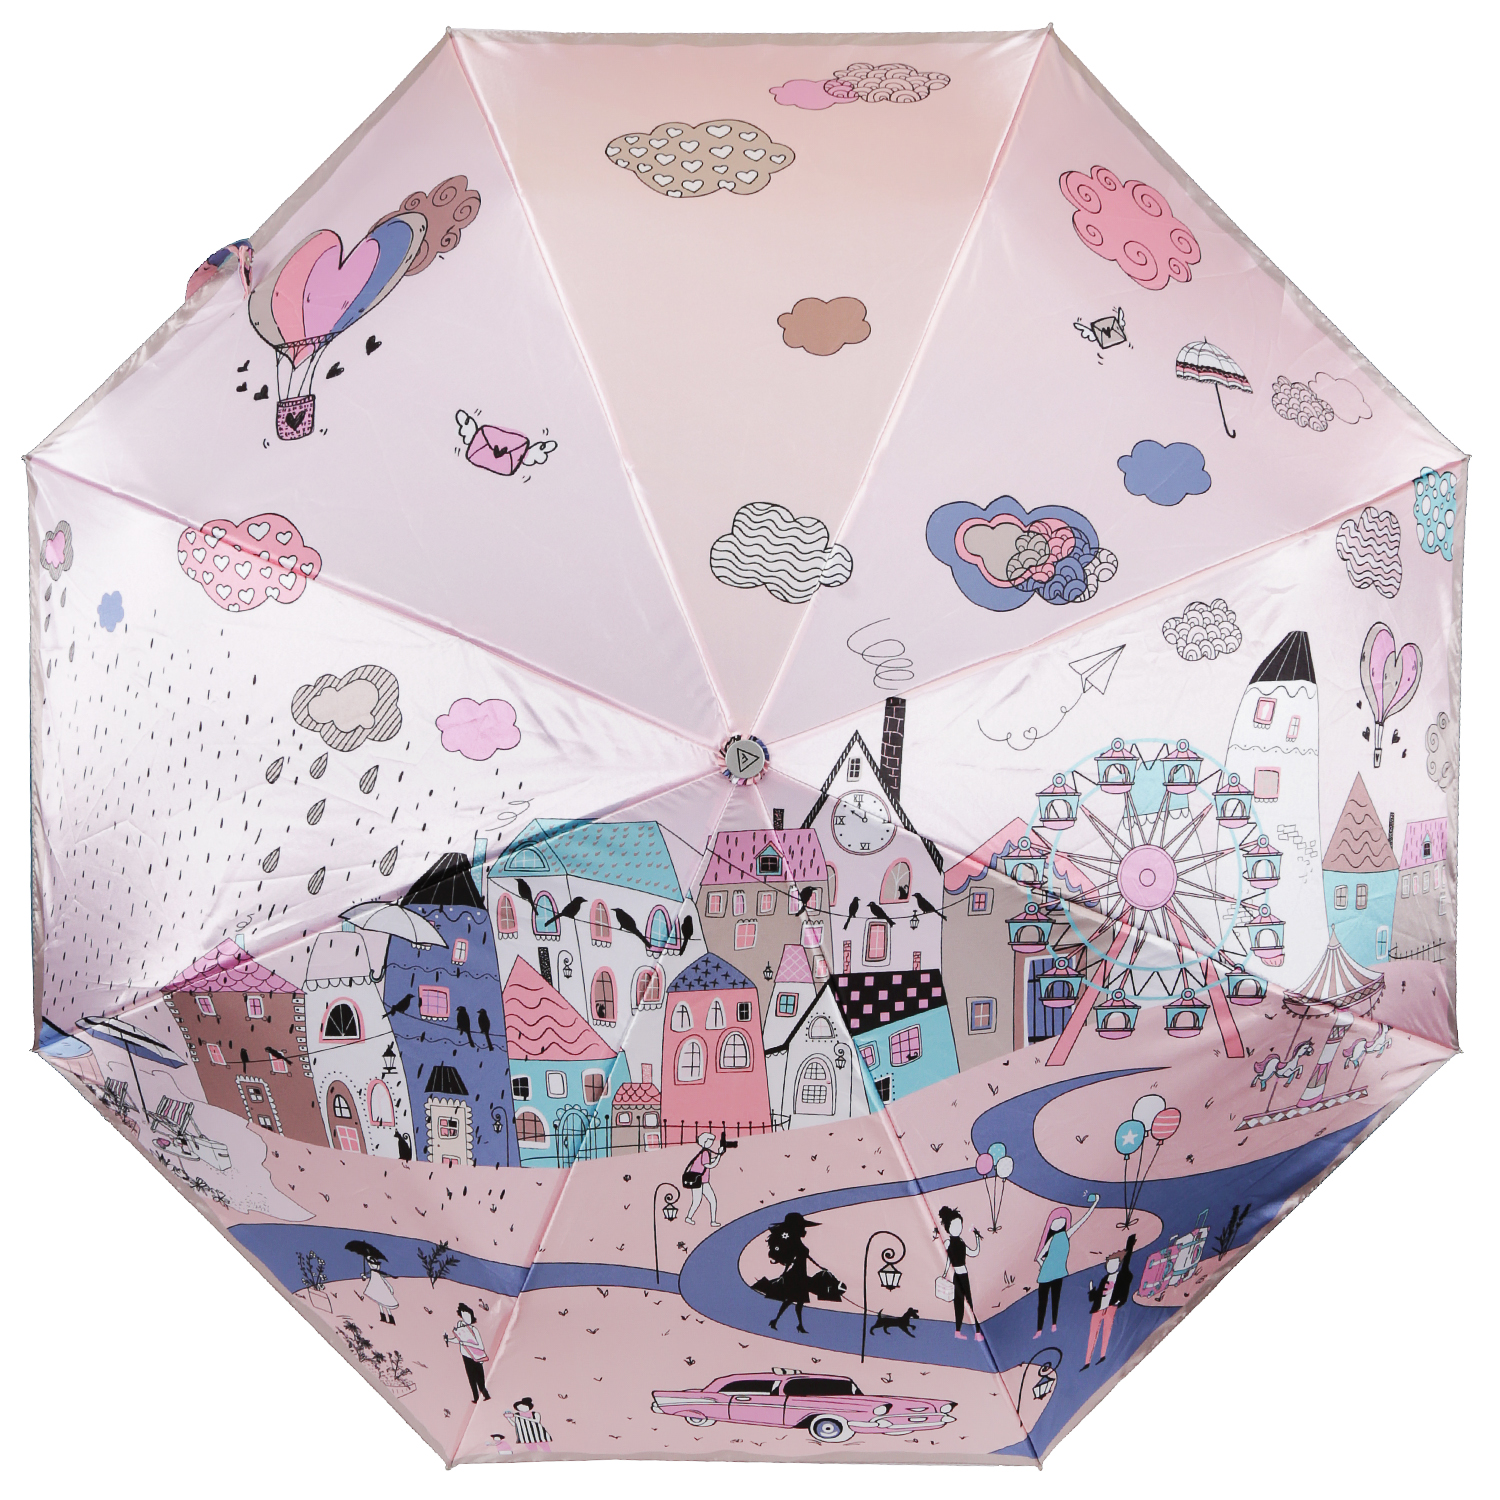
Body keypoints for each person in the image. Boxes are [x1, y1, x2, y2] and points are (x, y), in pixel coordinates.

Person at [751, 1211, 844, 1333]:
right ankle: (782, 1321)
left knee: (796, 1301)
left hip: (801, 1274)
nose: (805, 1230)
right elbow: (791, 1260)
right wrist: (784, 1274)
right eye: (802, 1227)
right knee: (792, 1300)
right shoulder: (794, 1243)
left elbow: (806, 1257)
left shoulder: (797, 1242)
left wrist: (820, 1267)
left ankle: (791, 1323)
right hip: (796, 1275)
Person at [1034, 1194, 1098, 1338]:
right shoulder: (1051, 1239)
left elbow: (1082, 1220)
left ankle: (1053, 1323)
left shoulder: (1065, 1234)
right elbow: (1039, 1256)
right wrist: (1044, 1264)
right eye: (1055, 1222)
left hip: (1058, 1272)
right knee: (1043, 1302)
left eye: (1062, 1221)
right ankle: (1039, 1329)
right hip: (1047, 1273)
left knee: (1055, 1299)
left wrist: (1095, 1203)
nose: (1058, 1224)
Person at [1082, 1234, 1135, 1369]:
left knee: (1107, 1331)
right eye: (1109, 1264)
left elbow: (1127, 1262)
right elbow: (1094, 1298)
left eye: (1114, 1264)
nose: (1111, 1266)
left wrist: (1129, 1245)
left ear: (1118, 1264)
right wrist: (1091, 1291)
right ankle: (1087, 1361)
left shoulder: (1122, 1276)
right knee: (1092, 1334)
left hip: (1110, 1307)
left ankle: (1102, 1355)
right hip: (1098, 1309)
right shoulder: (1104, 1279)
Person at [936, 1206, 983, 1340]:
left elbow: (973, 1252)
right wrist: (944, 1274)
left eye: (960, 1225)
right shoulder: (947, 1243)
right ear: (948, 1228)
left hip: (964, 1274)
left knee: (970, 1302)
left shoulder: (961, 1242)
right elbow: (947, 1261)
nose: (958, 1228)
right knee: (959, 1303)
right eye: (955, 1225)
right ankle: (958, 1331)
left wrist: (977, 1239)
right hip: (956, 1275)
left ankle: (977, 1331)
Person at [444, 1302, 491, 1403]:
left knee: (480, 1378)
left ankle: (486, 1395)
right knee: (471, 1378)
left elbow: (480, 1346)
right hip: (466, 1356)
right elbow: (458, 1340)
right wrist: (449, 1340)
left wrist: (467, 1343)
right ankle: (476, 1398)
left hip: (476, 1357)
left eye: (468, 1316)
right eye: (464, 1316)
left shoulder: (474, 1330)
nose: (466, 1318)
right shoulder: (461, 1328)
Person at [682, 1131, 725, 1226]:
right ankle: (689, 1217)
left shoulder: (706, 1152)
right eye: (710, 1140)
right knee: (698, 1201)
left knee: (710, 1200)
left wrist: (719, 1154)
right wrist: (719, 1156)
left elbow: (710, 1161)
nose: (712, 1142)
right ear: (705, 1142)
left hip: (703, 1181)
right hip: (699, 1181)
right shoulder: (705, 1152)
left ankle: (712, 1221)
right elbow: (710, 1165)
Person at [350, 1242, 399, 1325]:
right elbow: (369, 1273)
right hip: (374, 1282)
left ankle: (390, 1317)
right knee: (379, 1301)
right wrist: (364, 1275)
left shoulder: (376, 1268)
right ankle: (383, 1316)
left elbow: (382, 1277)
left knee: (385, 1301)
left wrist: (390, 1287)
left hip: (379, 1283)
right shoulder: (372, 1268)